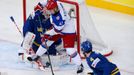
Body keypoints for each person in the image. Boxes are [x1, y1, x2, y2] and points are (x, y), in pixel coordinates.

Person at [28, 0, 84, 74]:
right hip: (58, 28)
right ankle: (37, 56)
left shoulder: (60, 19)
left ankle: (80, 65)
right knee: (47, 41)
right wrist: (39, 7)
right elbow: (47, 1)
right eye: (51, 10)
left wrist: (46, 33)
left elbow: (56, 31)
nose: (53, 11)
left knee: (69, 50)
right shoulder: (57, 3)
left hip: (68, 31)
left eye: (53, 10)